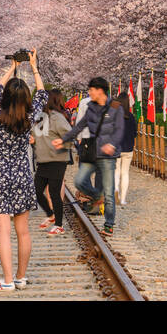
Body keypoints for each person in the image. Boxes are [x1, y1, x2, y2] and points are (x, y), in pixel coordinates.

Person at [0, 50, 47, 292]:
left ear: (6, 96)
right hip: (22, 176)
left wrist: (13, 66)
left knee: (3, 233)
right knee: (23, 231)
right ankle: (19, 277)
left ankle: (6, 281)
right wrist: (33, 66)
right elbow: (42, 93)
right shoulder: (31, 116)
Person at [53, 77, 123, 236]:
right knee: (79, 181)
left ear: (100, 91)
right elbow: (79, 126)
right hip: (92, 151)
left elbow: (120, 130)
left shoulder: (115, 107)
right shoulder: (90, 107)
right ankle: (97, 196)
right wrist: (64, 139)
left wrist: (112, 144)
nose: (89, 92)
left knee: (110, 192)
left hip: (107, 156)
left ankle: (109, 224)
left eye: (91, 90)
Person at [33, 89, 72, 236]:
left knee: (54, 193)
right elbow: (37, 133)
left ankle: (59, 224)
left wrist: (63, 142)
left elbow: (70, 135)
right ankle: (50, 215)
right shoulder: (42, 116)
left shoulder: (58, 117)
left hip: (57, 159)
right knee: (36, 190)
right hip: (44, 160)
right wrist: (33, 138)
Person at [113, 90, 137, 206]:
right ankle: (123, 199)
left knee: (116, 171)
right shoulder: (131, 117)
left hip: (116, 148)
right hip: (128, 148)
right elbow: (135, 133)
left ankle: (115, 190)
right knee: (125, 173)